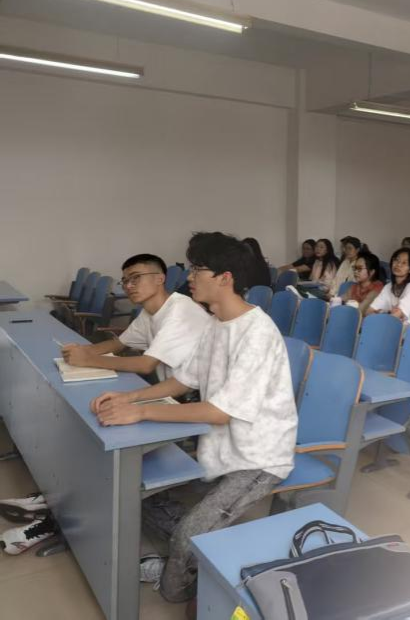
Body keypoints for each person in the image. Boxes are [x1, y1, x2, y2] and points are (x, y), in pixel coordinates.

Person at [89, 232, 297, 603]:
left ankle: (188, 573)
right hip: (220, 446)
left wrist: (140, 411)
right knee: (142, 496)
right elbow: (184, 380)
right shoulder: (217, 323)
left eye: (198, 269)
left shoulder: (257, 333)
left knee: (183, 551)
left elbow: (219, 412)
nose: (189, 277)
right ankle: (198, 549)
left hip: (259, 458)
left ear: (225, 277)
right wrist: (129, 396)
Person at [62, 253, 209, 383]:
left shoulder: (180, 311)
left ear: (159, 279)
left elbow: (146, 365)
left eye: (136, 278)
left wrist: (87, 359)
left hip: (194, 396)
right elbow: (119, 344)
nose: (129, 286)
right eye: (125, 281)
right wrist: (83, 350)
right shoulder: (149, 311)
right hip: (170, 386)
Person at [368, 247, 410, 325]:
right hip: (398, 327)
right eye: (396, 260)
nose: (398, 264)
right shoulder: (389, 287)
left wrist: (380, 318)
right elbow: (370, 311)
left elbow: (397, 315)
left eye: (404, 263)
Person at [341, 251, 385, 316]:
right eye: (355, 268)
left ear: (372, 272)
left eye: (359, 268)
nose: (356, 272)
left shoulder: (377, 288)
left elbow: (360, 311)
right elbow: (341, 300)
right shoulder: (355, 286)